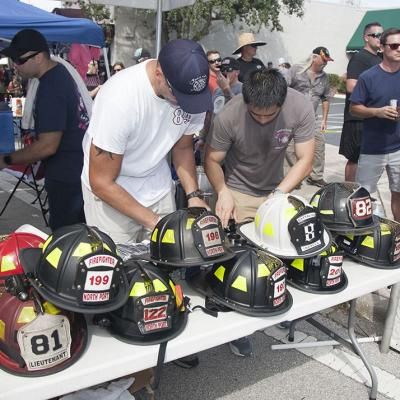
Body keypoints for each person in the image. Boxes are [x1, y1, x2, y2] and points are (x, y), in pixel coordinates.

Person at [204, 68, 315, 356]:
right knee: (238, 261)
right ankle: (235, 328)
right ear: (246, 102)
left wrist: (279, 194)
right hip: (238, 188)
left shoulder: (299, 105)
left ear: (282, 100)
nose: (263, 119)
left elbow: (305, 158)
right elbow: (212, 160)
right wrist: (223, 192)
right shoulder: (230, 114)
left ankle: (277, 310)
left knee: (278, 255)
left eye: (270, 115)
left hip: (276, 188)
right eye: (257, 115)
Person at [81, 39, 211, 245]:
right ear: (159, 72)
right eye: (178, 94)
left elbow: (183, 147)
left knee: (164, 264)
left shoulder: (193, 93)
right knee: (119, 266)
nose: (184, 103)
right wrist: (155, 222)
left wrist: (193, 194)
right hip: (112, 193)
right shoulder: (120, 99)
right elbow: (101, 182)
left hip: (157, 187)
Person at [0, 29, 88, 230]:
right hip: (75, 174)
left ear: (38, 57)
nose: (15, 65)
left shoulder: (52, 86)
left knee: (65, 241)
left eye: (19, 60)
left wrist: (6, 160)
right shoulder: (60, 74)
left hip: (67, 178)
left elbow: (47, 146)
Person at [350, 27, 400, 222]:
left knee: (398, 193)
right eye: (394, 45)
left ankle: (397, 235)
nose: (399, 49)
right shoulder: (368, 77)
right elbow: (355, 108)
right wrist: (377, 112)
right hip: (373, 149)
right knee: (365, 196)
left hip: (398, 148)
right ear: (382, 47)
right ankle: (370, 237)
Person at [339, 22, 383, 181]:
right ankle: (349, 192)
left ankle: (362, 192)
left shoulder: (378, 58)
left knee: (370, 158)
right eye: (376, 35)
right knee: (354, 158)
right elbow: (351, 86)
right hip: (356, 118)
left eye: (381, 35)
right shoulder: (360, 58)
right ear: (366, 37)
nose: (380, 38)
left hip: (371, 117)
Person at [286, 46, 333, 187]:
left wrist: (325, 119)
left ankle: (316, 176)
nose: (325, 63)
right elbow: (283, 89)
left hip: (312, 118)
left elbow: (325, 98)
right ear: (314, 57)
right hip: (292, 117)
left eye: (327, 61)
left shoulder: (324, 77)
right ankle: (293, 178)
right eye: (323, 60)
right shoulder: (296, 70)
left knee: (319, 144)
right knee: (290, 148)